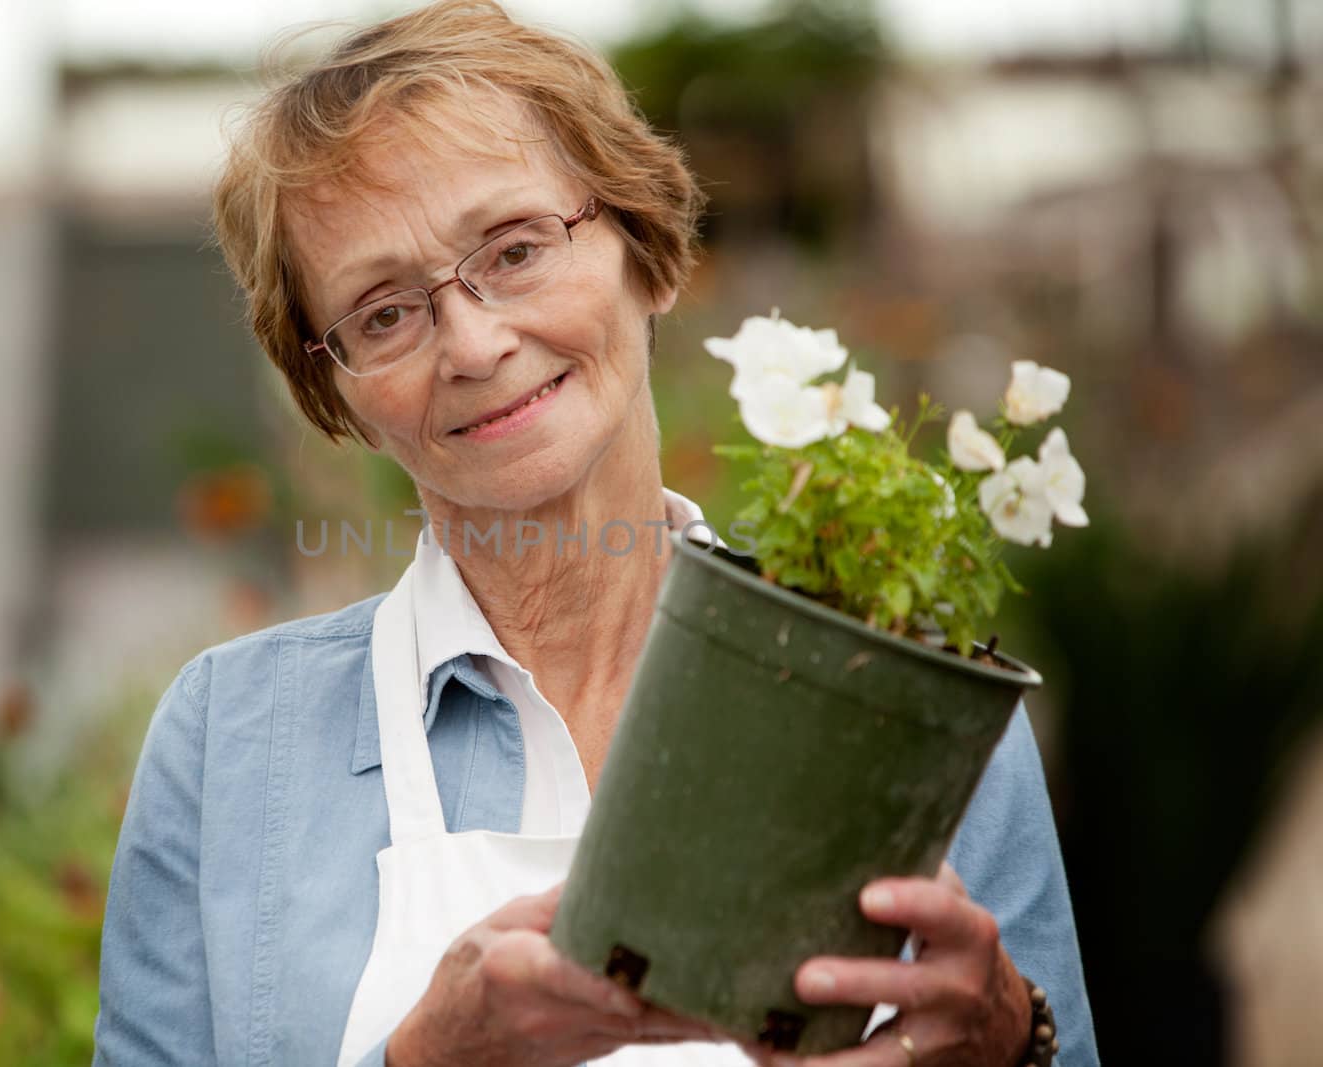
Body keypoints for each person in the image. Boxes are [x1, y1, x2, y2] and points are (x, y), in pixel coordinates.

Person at [91, 2, 1100, 1065]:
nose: (473, 342)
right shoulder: (230, 742)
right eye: (383, 312)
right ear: (334, 395)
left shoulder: (901, 695)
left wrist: (1007, 1036)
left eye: (516, 250)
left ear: (650, 254)